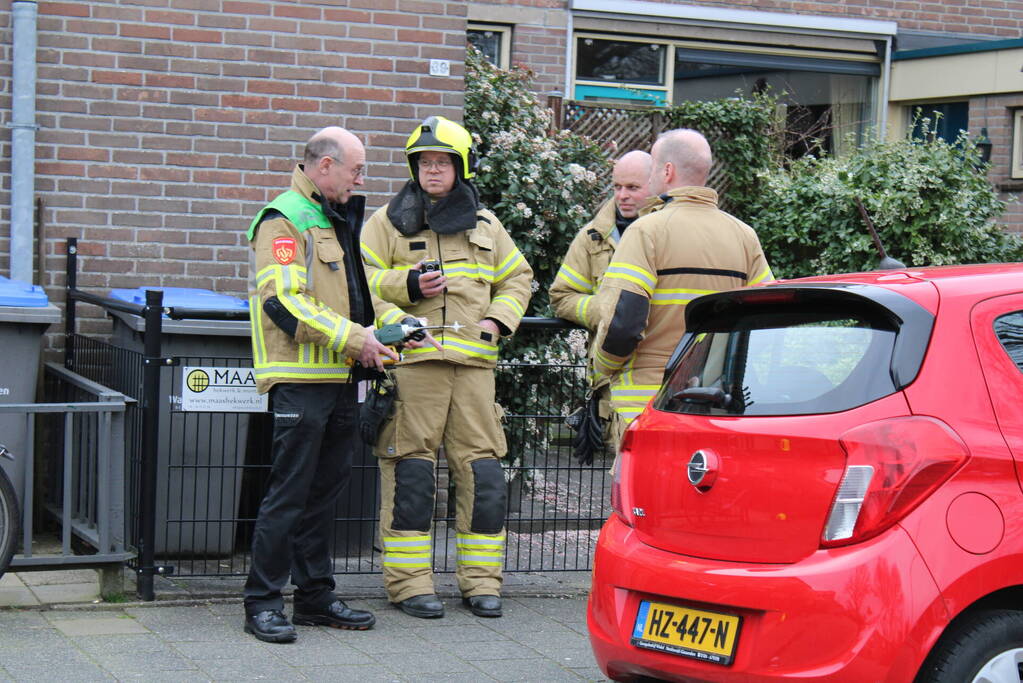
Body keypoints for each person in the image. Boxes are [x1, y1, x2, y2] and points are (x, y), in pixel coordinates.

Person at [360, 115, 533, 620]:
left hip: (475, 370)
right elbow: (362, 283)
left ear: (460, 168)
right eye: (424, 162)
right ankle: (409, 585)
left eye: (442, 162)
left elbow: (518, 279)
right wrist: (407, 294)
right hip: (413, 367)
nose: (432, 170)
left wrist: (498, 322)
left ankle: (482, 583)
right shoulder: (385, 223)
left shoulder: (487, 226)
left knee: (483, 475)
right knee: (411, 475)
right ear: (414, 167)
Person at [242, 126, 398, 643]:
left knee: (322, 495)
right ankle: (262, 602)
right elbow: (283, 302)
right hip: (303, 381)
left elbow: (351, 294)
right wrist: (358, 340)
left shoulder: (336, 217)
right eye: (356, 169)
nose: (361, 179)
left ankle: (313, 597)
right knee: (288, 494)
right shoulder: (284, 219)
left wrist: (379, 334)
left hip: (341, 377)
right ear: (325, 165)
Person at [592, 129, 774, 447]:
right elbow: (766, 319)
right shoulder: (744, 235)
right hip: (716, 406)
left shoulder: (646, 231)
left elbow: (624, 322)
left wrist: (602, 368)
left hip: (646, 408)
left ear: (667, 171)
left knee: (640, 497)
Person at [549, 151, 651, 461]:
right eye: (617, 186)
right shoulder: (592, 238)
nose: (622, 196)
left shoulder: (667, 233)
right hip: (613, 376)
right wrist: (604, 312)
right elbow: (561, 296)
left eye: (633, 187)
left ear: (656, 182)